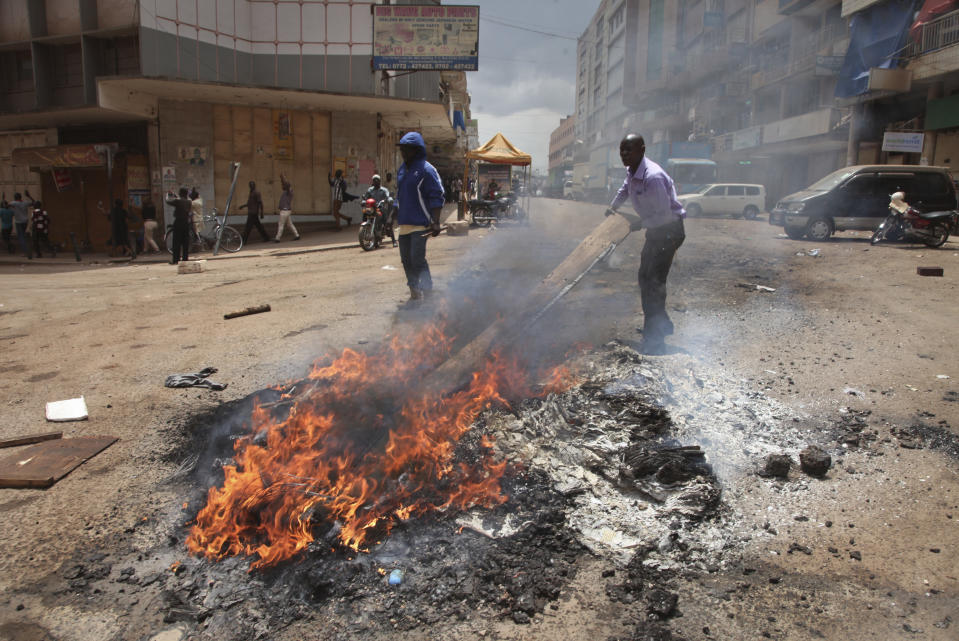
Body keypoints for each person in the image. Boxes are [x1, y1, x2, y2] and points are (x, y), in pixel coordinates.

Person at [605, 133, 686, 355]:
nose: (623, 154)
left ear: (641, 150)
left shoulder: (653, 177)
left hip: (669, 230)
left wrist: (639, 224)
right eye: (621, 150)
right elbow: (624, 189)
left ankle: (656, 338)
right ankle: (660, 324)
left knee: (654, 282)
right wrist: (614, 207)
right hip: (656, 230)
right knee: (645, 277)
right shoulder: (632, 171)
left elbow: (664, 215)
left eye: (628, 150)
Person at [395, 131, 444, 303]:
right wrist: (390, 218)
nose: (403, 153)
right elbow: (399, 196)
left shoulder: (426, 170)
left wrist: (436, 222)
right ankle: (414, 291)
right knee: (406, 260)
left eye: (407, 149)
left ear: (416, 150)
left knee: (417, 258)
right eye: (402, 149)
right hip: (404, 224)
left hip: (420, 224)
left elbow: (436, 195)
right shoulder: (402, 170)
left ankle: (428, 291)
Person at [364, 174, 396, 247]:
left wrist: (389, 199)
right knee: (365, 214)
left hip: (381, 209)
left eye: (377, 180)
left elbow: (388, 196)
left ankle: (394, 241)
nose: (375, 181)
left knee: (387, 224)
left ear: (379, 181)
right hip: (372, 209)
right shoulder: (370, 190)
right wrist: (363, 201)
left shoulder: (384, 190)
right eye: (374, 180)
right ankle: (373, 237)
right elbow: (366, 197)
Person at [166, 187, 193, 264]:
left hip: (178, 222)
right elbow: (181, 198)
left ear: (180, 193)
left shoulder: (178, 201)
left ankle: (176, 260)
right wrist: (175, 195)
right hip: (186, 223)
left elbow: (168, 201)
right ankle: (185, 259)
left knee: (176, 242)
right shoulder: (189, 201)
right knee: (185, 242)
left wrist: (167, 195)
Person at [275, 172, 299, 242]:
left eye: (283, 186)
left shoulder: (289, 191)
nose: (282, 186)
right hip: (287, 211)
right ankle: (297, 235)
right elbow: (285, 184)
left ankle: (277, 238)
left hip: (284, 211)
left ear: (286, 187)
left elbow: (287, 184)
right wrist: (282, 179)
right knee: (289, 224)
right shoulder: (286, 191)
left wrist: (283, 178)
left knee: (280, 224)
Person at [10, 191, 33, 258]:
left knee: (21, 237)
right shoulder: (25, 203)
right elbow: (34, 203)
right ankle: (26, 250)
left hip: (18, 222)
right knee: (23, 235)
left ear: (15, 198)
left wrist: (3, 199)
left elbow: (5, 206)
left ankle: (26, 251)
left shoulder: (13, 203)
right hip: (25, 221)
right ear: (20, 197)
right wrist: (29, 196)